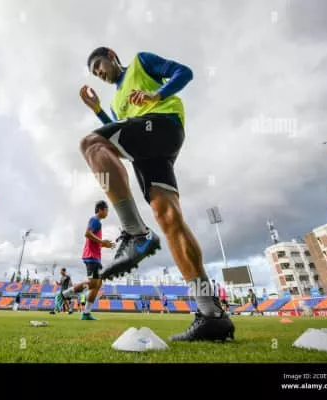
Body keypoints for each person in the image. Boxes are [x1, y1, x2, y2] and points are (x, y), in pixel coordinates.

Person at [79, 46, 234, 341]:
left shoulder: (141, 62)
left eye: (99, 65)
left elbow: (184, 72)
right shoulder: (116, 101)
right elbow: (116, 133)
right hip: (147, 152)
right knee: (169, 218)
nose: (99, 73)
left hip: (162, 124)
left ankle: (136, 233)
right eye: (95, 73)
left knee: (89, 144)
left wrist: (156, 95)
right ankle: (211, 314)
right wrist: (99, 110)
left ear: (111, 55)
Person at [57, 200, 115, 320]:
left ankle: (86, 313)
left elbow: (94, 241)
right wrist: (102, 241)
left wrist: (104, 244)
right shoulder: (95, 220)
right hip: (91, 257)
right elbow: (87, 234)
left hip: (95, 258)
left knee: (98, 284)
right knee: (93, 284)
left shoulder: (98, 223)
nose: (107, 212)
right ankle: (64, 294)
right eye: (107, 210)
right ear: (101, 209)